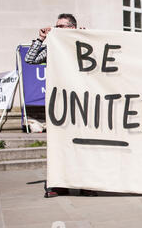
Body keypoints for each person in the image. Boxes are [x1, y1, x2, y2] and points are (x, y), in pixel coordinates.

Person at [26, 13, 96, 198]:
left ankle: (85, 184)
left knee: (83, 145)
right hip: (61, 104)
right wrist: (41, 39)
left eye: (61, 26)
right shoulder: (54, 49)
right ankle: (61, 184)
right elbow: (30, 59)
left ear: (72, 28)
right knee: (61, 145)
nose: (56, 29)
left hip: (83, 103)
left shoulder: (83, 43)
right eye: (56, 26)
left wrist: (87, 38)